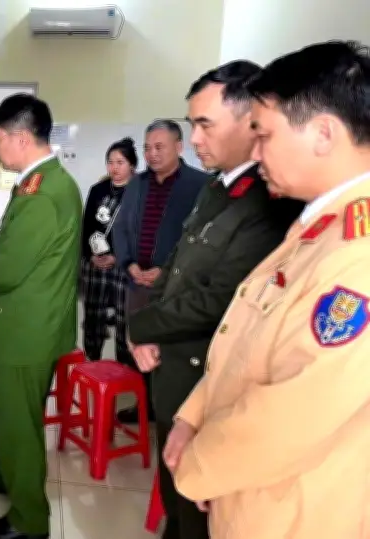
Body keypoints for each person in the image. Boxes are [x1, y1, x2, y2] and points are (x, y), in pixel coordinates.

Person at [164, 40, 370, 539]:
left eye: (264, 135)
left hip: (290, 512)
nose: (255, 154)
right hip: (249, 494)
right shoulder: (316, 226)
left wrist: (197, 464)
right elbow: (244, 341)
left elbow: (296, 412)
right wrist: (192, 416)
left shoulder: (357, 254)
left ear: (323, 134)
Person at [126, 61, 304, 539]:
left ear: (250, 121)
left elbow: (220, 300)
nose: (195, 139)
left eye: (205, 125)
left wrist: (141, 327)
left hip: (206, 377)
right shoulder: (217, 188)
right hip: (171, 368)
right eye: (192, 125)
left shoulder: (270, 203)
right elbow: (176, 263)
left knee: (198, 514)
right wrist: (145, 324)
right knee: (175, 500)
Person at [0, 93, 81, 539]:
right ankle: (8, 474)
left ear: (19, 137)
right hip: (34, 321)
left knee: (22, 424)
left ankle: (29, 521)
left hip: (25, 331)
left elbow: (10, 268)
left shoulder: (42, 193)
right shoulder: (46, 182)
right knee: (17, 416)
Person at [112, 120, 209, 422]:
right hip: (137, 283)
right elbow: (121, 228)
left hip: (175, 288)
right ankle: (145, 406)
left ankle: (175, 410)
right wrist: (128, 263)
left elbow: (199, 238)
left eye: (159, 147)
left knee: (170, 350)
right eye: (147, 148)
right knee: (139, 344)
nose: (152, 154)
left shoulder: (201, 185)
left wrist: (165, 270)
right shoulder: (137, 184)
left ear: (179, 147)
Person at [80, 137, 137, 362]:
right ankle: (92, 360)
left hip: (125, 266)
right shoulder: (98, 190)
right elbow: (87, 226)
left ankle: (125, 364)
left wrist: (118, 257)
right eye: (110, 162)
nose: (114, 168)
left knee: (125, 318)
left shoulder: (140, 191)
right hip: (96, 264)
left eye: (120, 162)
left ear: (132, 165)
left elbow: (141, 233)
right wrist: (90, 256)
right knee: (93, 316)